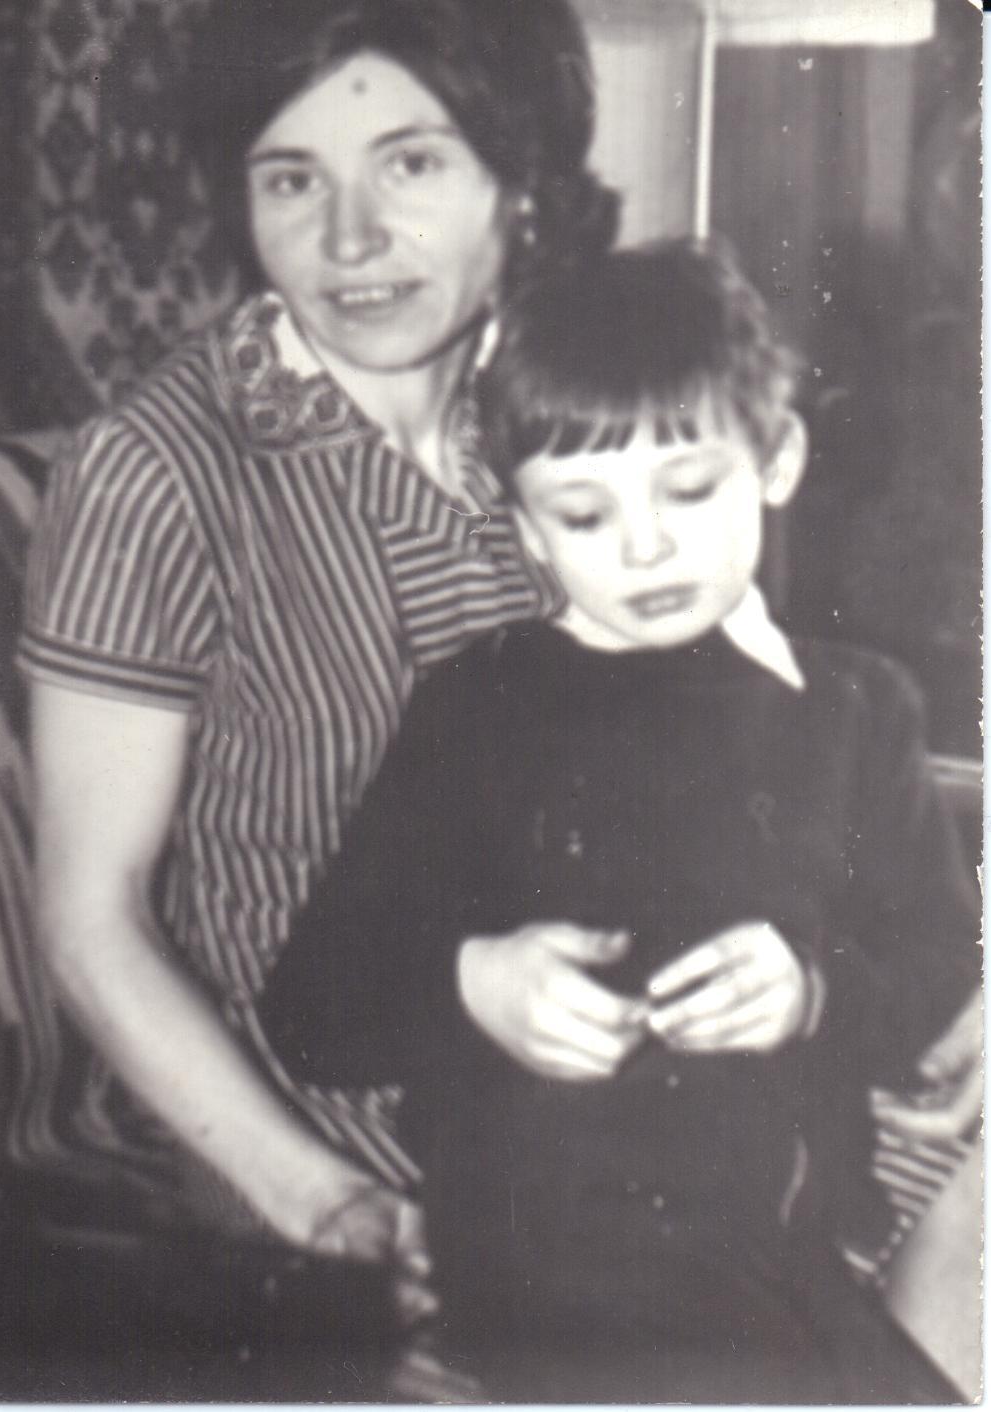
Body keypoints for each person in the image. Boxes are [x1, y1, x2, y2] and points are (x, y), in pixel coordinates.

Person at [261, 242, 981, 1402]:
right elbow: (311, 1004)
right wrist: (473, 982)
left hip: (775, 1246)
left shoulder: (858, 707)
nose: (645, 545)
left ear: (777, 459)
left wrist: (812, 988)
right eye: (584, 514)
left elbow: (938, 964)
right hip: (543, 1263)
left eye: (689, 491)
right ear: (528, 529)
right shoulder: (475, 703)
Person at [18, 0, 630, 1288]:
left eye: (410, 163)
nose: (349, 240)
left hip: (604, 1069)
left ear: (518, 180)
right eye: (289, 178)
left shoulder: (572, 408)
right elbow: (90, 920)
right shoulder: (157, 470)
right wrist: (322, 1199)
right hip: (333, 1119)